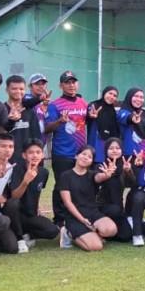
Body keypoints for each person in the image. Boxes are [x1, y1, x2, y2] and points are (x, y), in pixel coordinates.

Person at [45, 70, 88, 225]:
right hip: (62, 153)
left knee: (79, 186)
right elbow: (47, 128)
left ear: (78, 84)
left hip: (80, 153)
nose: (71, 85)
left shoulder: (83, 103)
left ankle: (76, 217)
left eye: (73, 82)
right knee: (61, 186)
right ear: (61, 85)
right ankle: (59, 220)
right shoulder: (55, 105)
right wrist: (59, 122)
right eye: (67, 82)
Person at [56, 146, 119, 251]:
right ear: (76, 156)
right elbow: (68, 203)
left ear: (91, 161)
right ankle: (68, 233)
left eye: (89, 157)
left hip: (92, 212)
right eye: (83, 154)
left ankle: (92, 234)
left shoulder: (92, 175)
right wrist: (82, 219)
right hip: (74, 216)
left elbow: (99, 177)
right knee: (96, 246)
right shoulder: (65, 176)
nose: (86, 157)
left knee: (111, 230)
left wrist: (107, 175)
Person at [7, 139, 61, 247]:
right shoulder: (17, 170)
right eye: (31, 152)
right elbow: (14, 196)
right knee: (13, 203)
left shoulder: (44, 172)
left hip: (31, 215)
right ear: (24, 155)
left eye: (38, 152)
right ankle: (19, 239)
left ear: (42, 155)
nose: (35, 155)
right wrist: (25, 181)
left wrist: (38, 208)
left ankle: (27, 236)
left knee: (53, 231)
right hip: (15, 215)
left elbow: (37, 191)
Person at [93, 138, 133, 242]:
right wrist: (106, 175)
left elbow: (131, 184)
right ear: (106, 150)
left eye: (117, 148)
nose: (114, 150)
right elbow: (96, 179)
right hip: (102, 208)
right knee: (114, 210)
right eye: (111, 148)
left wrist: (128, 171)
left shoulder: (124, 166)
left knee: (126, 237)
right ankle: (96, 228)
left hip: (118, 209)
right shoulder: (101, 166)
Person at [3, 75, 42, 165]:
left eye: (21, 89)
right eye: (14, 89)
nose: (18, 91)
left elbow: (36, 136)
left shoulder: (30, 111)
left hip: (27, 159)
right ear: (7, 90)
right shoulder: (2, 109)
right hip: (7, 159)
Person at [86, 86, 120, 164]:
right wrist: (91, 115)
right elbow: (89, 113)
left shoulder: (112, 111)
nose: (112, 97)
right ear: (104, 93)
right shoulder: (95, 105)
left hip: (108, 144)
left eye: (115, 95)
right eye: (110, 93)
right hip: (96, 142)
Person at [117, 87, 145, 157]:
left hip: (144, 154)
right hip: (128, 155)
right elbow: (127, 117)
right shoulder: (122, 112)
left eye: (141, 97)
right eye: (136, 96)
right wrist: (133, 118)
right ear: (129, 97)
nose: (139, 99)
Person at [23, 73, 51, 144]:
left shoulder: (48, 102)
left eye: (43, 84)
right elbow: (27, 103)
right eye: (37, 84)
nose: (41, 86)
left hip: (42, 143)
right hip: (28, 143)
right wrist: (40, 100)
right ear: (30, 86)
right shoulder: (25, 98)